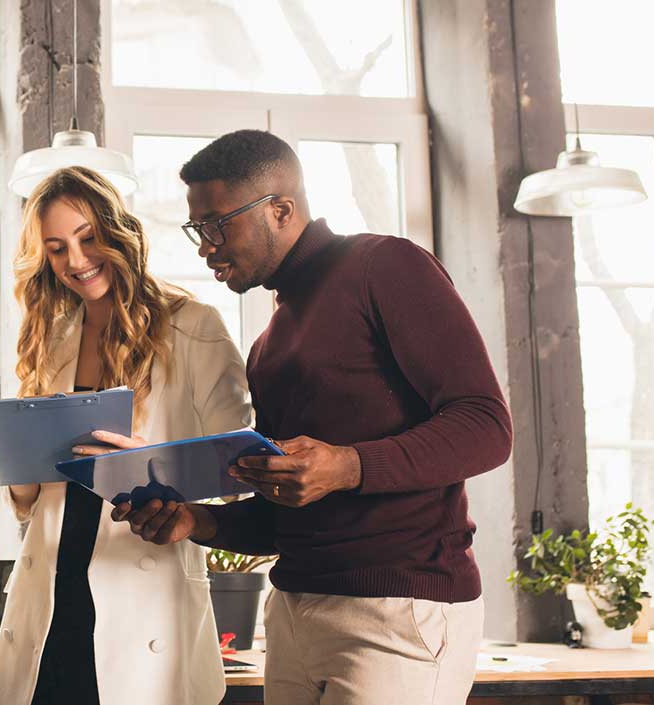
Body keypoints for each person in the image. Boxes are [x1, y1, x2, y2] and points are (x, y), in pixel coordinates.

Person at [114, 130, 514, 705]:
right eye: (197, 229)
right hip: (295, 611)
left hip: (397, 612)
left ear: (281, 209)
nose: (205, 246)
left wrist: (347, 465)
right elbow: (293, 509)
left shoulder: (386, 265)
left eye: (217, 224)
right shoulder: (268, 343)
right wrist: (197, 523)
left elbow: (486, 425)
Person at [0, 166, 252, 705]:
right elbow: (32, 505)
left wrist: (153, 465)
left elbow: (240, 467)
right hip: (52, 600)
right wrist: (18, 470)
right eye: (57, 248)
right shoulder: (53, 336)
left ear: (118, 231)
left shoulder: (193, 325)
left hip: (142, 597)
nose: (76, 261)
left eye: (88, 238)